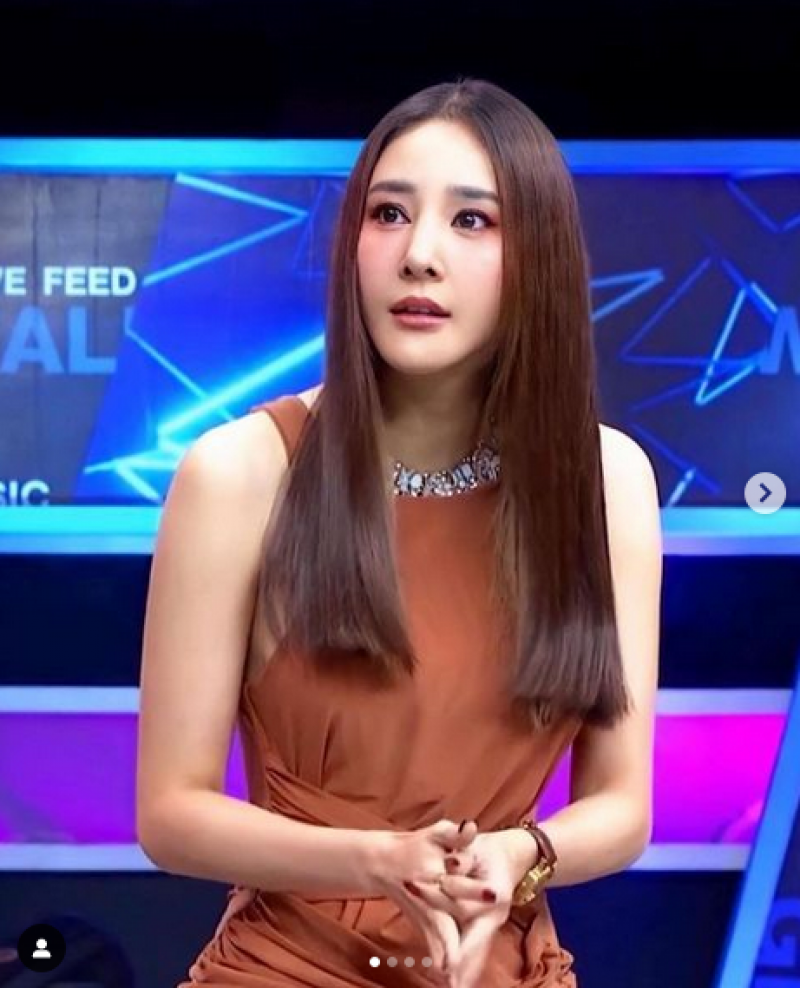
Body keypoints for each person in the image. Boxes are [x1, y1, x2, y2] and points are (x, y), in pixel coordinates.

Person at [135, 77, 663, 988]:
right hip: (283, 968)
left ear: (537, 256)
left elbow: (622, 806)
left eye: (472, 221)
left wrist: (519, 855)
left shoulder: (607, 481)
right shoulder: (240, 473)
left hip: (503, 965)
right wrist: (378, 860)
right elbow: (171, 813)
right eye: (389, 214)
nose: (419, 255)